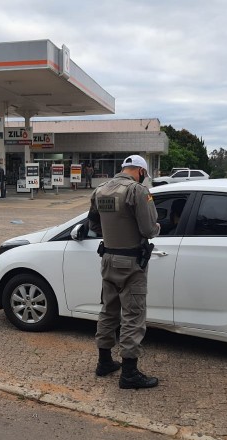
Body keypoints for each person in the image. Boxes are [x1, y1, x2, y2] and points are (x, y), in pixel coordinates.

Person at [87, 154, 160, 389]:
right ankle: (129, 374)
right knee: (133, 316)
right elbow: (148, 229)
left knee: (108, 310)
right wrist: (158, 226)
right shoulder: (137, 191)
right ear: (140, 171)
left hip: (107, 258)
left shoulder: (100, 190)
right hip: (131, 263)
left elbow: (94, 225)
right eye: (144, 175)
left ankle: (104, 362)